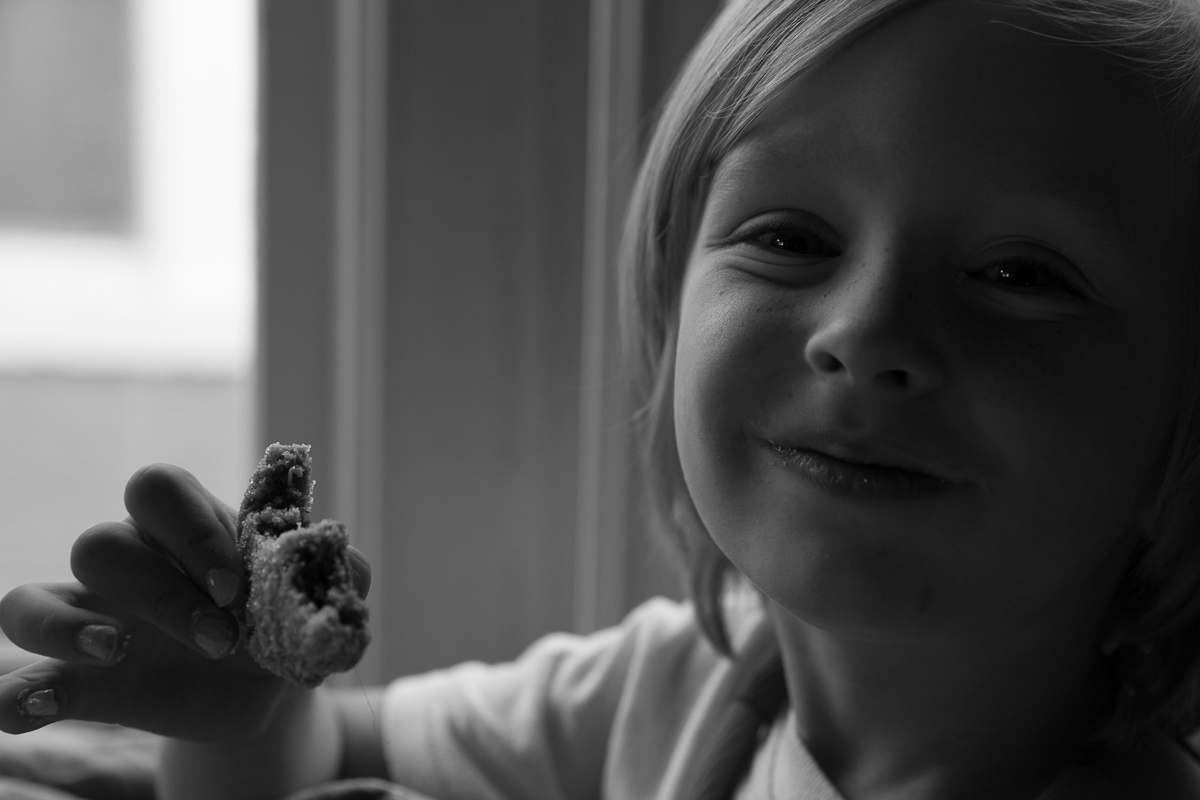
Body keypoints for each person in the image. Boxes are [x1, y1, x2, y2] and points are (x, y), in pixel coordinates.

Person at [4, 0, 1200, 797]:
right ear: (673, 307)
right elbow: (332, 747)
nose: (864, 332)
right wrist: (243, 709)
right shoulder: (658, 695)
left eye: (1019, 275)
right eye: (790, 236)